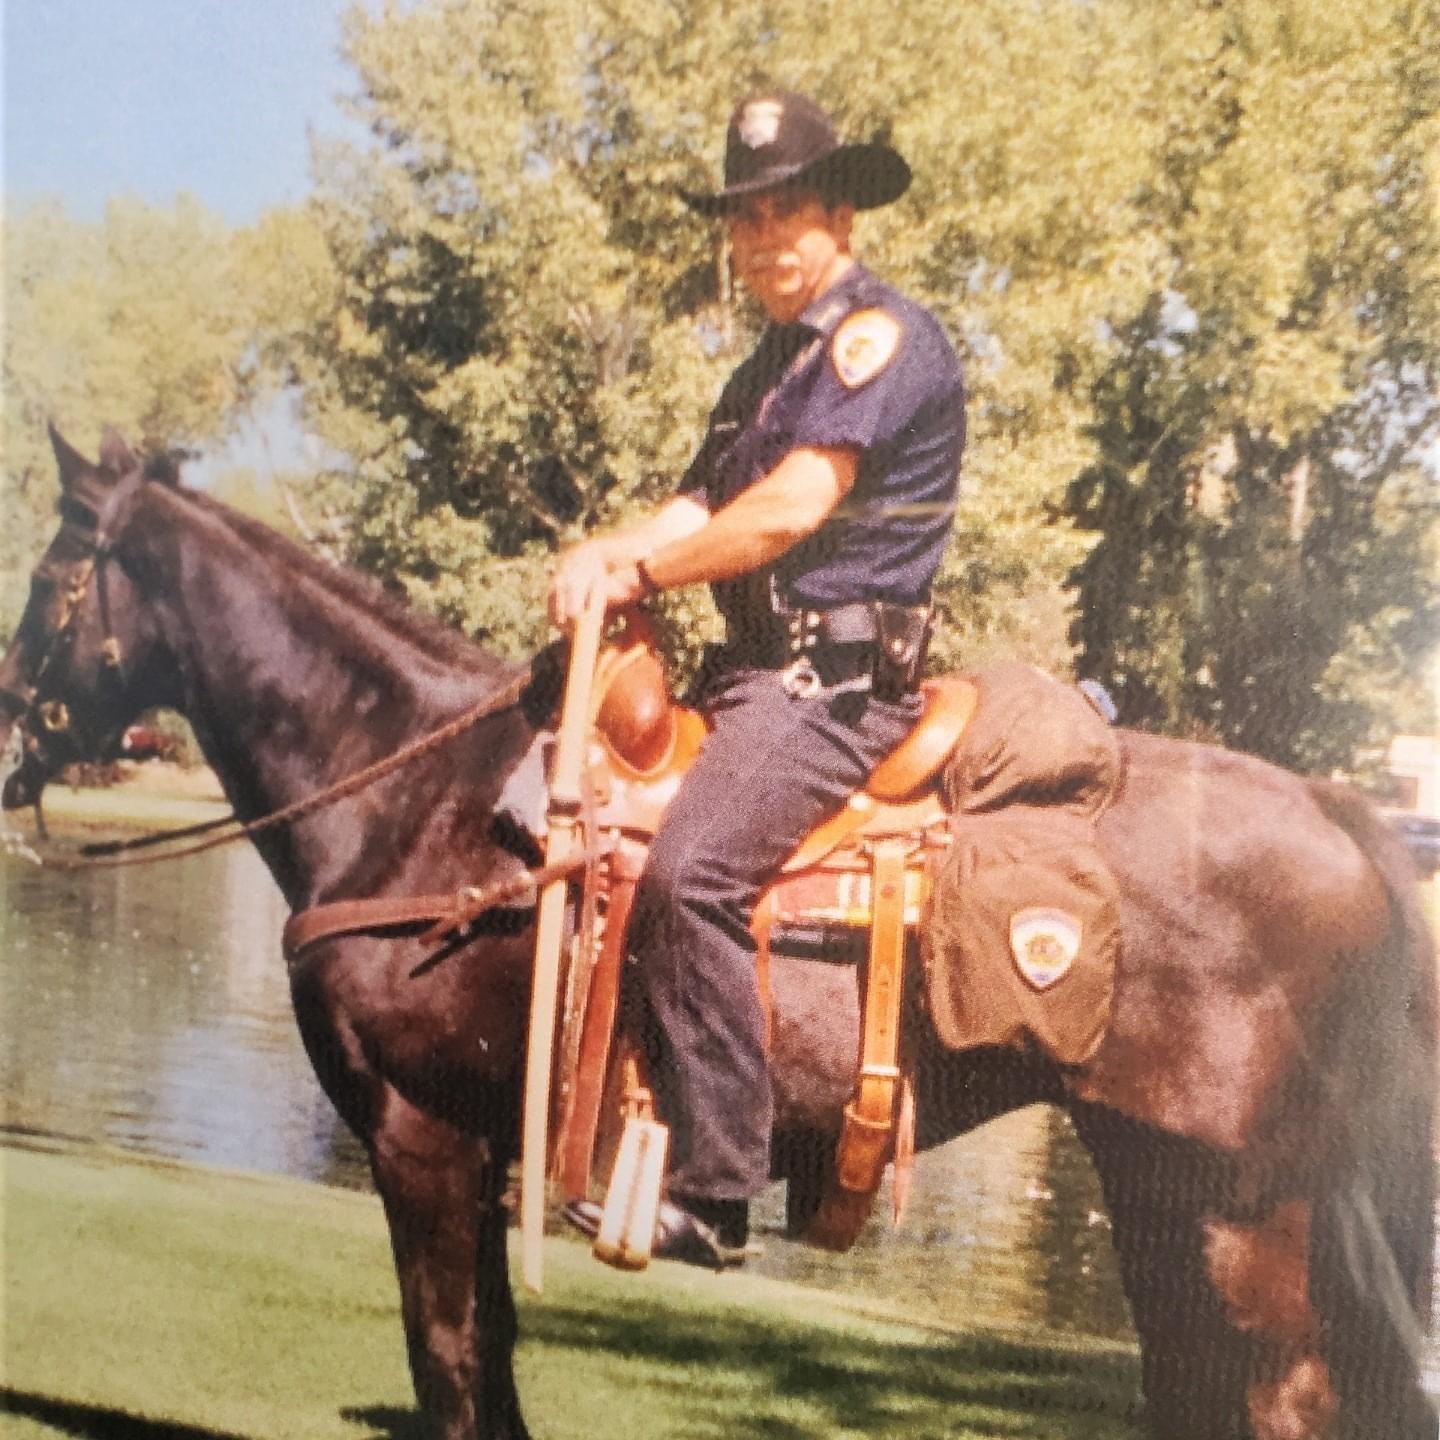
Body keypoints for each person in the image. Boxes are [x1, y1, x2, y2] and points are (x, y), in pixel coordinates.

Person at [550, 90, 966, 1268]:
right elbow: (696, 501)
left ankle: (719, 1190)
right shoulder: (766, 369)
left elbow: (786, 511)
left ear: (841, 213)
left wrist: (654, 569)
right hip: (754, 677)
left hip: (835, 689)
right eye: (745, 222)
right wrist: (602, 553)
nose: (764, 240)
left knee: (692, 873)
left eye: (786, 214)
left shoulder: (878, 341)